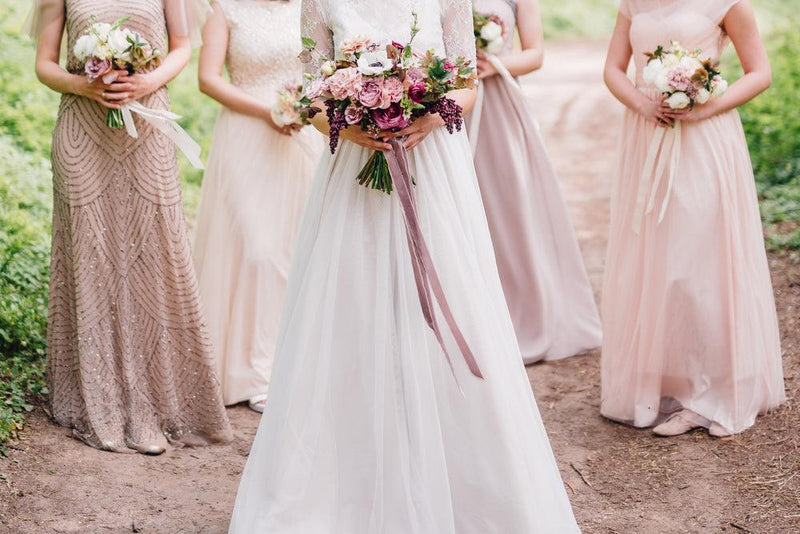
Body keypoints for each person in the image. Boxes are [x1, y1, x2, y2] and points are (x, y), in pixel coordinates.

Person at [227, 0, 580, 531]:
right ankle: (350, 473)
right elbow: (311, 93)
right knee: (354, 304)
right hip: (353, 170)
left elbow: (466, 81)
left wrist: (431, 117)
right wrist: (351, 129)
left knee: (445, 297)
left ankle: (457, 468)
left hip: (435, 166)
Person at [28, 0, 231, 454]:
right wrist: (85, 85)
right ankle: (96, 396)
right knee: (91, 257)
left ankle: (154, 405)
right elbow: (44, 64)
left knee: (154, 256)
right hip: (83, 134)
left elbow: (182, 47)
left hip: (149, 127)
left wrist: (145, 81)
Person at [601, 0, 785, 437]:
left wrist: (704, 108)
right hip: (648, 133)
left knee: (697, 261)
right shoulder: (632, 2)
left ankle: (710, 392)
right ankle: (666, 384)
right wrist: (643, 105)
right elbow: (612, 69)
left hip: (704, 136)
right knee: (656, 260)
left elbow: (760, 72)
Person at [193, 0, 320, 413]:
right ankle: (256, 371)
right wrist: (267, 111)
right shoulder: (223, 8)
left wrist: (307, 111)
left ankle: (299, 364)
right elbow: (208, 80)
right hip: (247, 134)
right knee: (259, 251)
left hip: (304, 136)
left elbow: (324, 69)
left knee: (300, 247)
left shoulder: (307, 7)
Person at [469, 0, 602, 364]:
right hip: (451, 107)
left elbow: (535, 54)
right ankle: (473, 318)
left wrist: (492, 64)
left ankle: (526, 317)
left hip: (500, 105)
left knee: (512, 211)